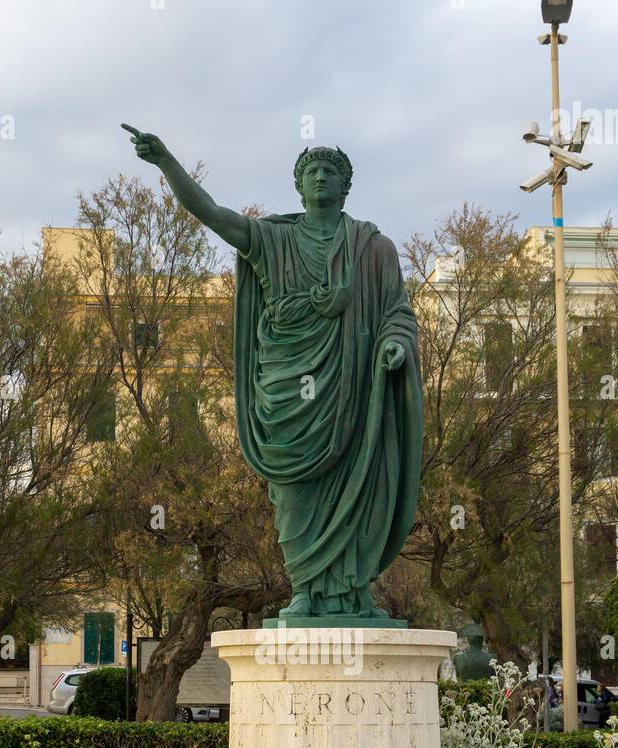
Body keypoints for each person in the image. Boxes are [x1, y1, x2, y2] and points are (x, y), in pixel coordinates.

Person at [123, 126, 422, 622]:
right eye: (313, 171)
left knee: (360, 482)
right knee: (295, 493)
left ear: (346, 186)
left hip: (353, 392)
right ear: (299, 186)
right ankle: (304, 588)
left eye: (332, 172)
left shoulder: (374, 248)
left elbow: (398, 311)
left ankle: (352, 591)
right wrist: (167, 162)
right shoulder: (271, 237)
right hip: (289, 392)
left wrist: (394, 343)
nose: (322, 177)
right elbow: (212, 214)